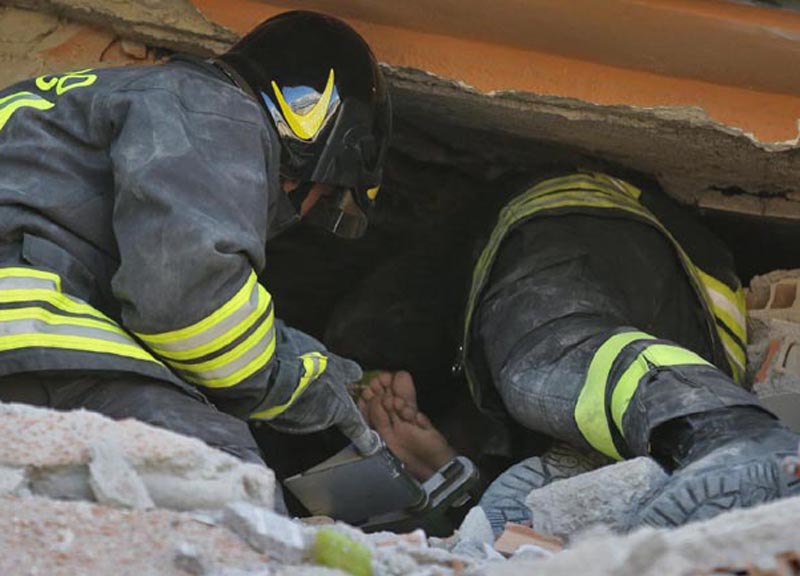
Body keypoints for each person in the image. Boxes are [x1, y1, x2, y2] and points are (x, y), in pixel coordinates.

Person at [0, 11, 389, 479]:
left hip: (24, 345)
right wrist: (299, 386)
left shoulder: (91, 96)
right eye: (321, 196)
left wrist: (295, 351)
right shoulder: (216, 110)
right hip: (28, 342)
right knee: (220, 471)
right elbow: (186, 307)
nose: (302, 210)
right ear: (309, 156)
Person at [352, 169, 800, 531]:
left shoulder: (512, 311)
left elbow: (556, 352)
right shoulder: (514, 405)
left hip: (597, 225)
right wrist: (449, 474)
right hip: (666, 400)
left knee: (541, 366)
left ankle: (729, 431)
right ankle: (718, 436)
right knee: (517, 499)